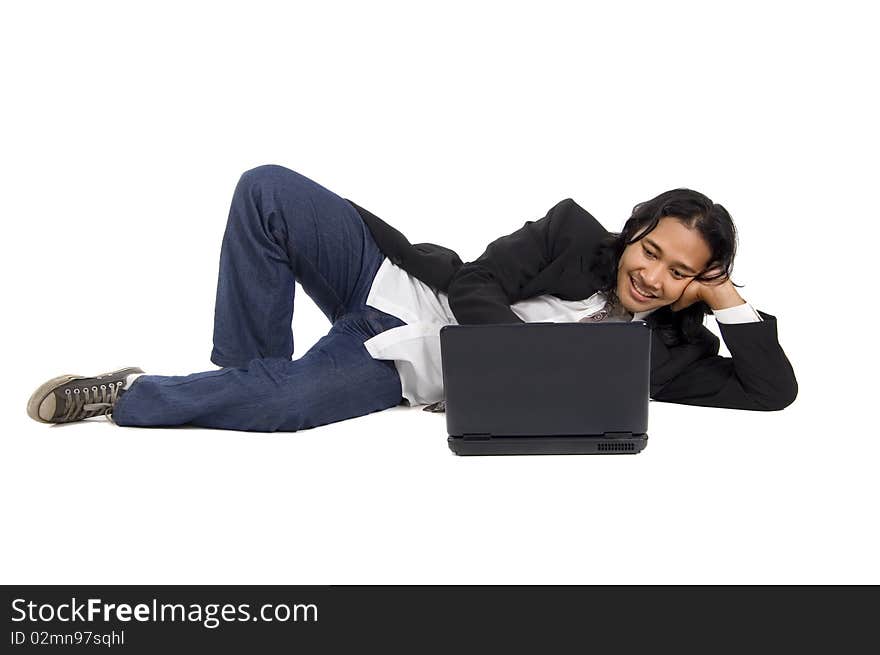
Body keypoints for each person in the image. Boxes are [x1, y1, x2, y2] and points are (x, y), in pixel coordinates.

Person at [27, 164, 797, 432]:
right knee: (267, 188)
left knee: (289, 407)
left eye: (678, 272)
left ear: (693, 284)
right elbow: (476, 282)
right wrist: (536, 356)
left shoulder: (670, 354)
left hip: (410, 363)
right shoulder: (570, 232)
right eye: (650, 249)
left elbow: (772, 391)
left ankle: (131, 396)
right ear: (631, 234)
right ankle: (244, 375)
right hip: (401, 285)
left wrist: (726, 293)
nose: (652, 274)